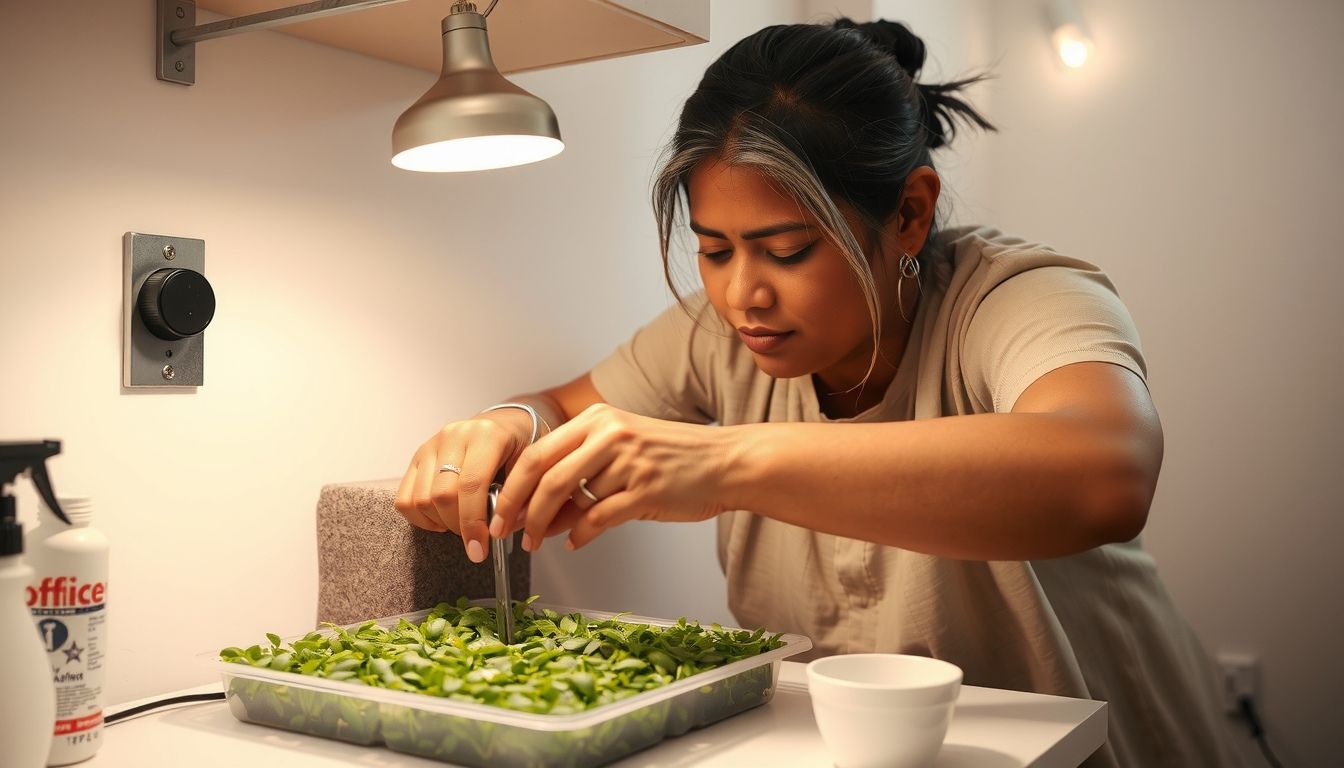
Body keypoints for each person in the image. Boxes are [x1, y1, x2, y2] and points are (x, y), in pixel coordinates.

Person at [394, 17, 1242, 768]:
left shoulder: (1015, 297)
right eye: (715, 250)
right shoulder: (717, 337)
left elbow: (1106, 473)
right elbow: (565, 406)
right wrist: (503, 424)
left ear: (909, 214)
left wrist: (725, 463)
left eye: (788, 249)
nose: (742, 297)